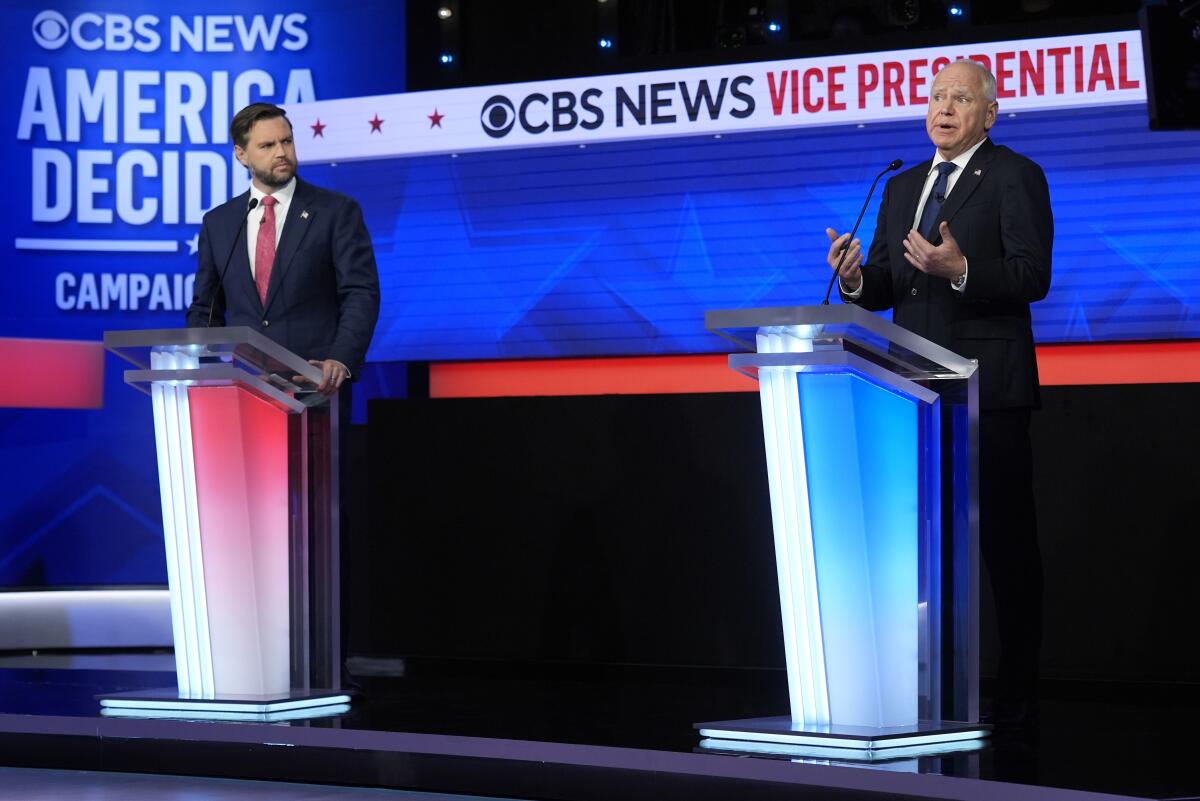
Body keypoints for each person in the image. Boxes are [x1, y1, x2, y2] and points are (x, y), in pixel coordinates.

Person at [827, 59, 1052, 727]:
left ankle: (1018, 694)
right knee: (927, 548)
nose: (944, 107)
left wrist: (963, 270)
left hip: (992, 392)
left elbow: (1032, 273)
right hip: (916, 392)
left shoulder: (1013, 175)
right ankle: (935, 690)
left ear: (989, 113)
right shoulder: (901, 187)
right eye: (935, 96)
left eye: (961, 97)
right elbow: (890, 284)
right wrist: (857, 276)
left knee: (1007, 548)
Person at [187, 102, 380, 395]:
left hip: (316, 386)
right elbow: (206, 308)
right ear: (241, 154)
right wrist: (209, 370)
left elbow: (360, 293)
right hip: (244, 388)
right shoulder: (219, 223)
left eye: (286, 141)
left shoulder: (336, 211)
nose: (281, 152)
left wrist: (340, 359)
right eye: (267, 145)